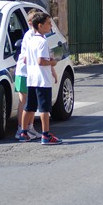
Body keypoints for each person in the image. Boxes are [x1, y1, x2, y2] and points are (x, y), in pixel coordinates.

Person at [19, 11, 62, 145]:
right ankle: (46, 135)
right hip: (42, 79)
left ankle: (23, 132)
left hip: (31, 78)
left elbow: (26, 59)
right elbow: (41, 61)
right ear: (40, 25)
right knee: (44, 109)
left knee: (29, 107)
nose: (50, 26)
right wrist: (52, 62)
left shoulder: (31, 40)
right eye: (48, 24)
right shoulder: (42, 41)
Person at [14, 9, 42, 140]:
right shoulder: (29, 35)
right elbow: (26, 58)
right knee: (24, 101)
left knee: (32, 102)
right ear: (31, 22)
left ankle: (30, 127)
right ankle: (21, 129)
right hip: (24, 72)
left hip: (32, 72)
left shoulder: (39, 35)